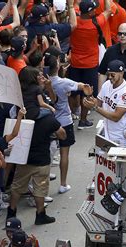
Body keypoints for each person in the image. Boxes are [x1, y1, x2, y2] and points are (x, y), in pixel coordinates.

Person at [7, 113, 67, 225]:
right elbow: (63, 135)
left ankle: (11, 213)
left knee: (17, 187)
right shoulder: (49, 119)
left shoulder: (21, 118)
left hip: (24, 159)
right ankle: (40, 214)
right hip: (41, 160)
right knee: (40, 189)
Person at [46, 53, 93, 193]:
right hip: (64, 121)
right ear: (58, 65)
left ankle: (45, 182)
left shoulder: (42, 81)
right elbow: (82, 86)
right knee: (64, 153)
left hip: (48, 121)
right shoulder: (63, 82)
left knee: (47, 151)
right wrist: (88, 92)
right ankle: (63, 184)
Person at [69, 0, 111, 130]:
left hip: (75, 63)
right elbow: (108, 11)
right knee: (87, 94)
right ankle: (83, 120)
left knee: (73, 93)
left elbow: (71, 14)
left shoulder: (73, 24)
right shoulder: (96, 22)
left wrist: (70, 6)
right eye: (93, 9)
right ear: (89, 11)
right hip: (90, 65)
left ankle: (69, 118)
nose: (95, 11)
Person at [83, 60, 126, 147]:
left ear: (121, 73)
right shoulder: (107, 84)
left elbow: (116, 117)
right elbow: (98, 103)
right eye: (108, 74)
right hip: (107, 132)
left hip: (121, 136)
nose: (110, 77)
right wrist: (89, 96)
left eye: (113, 75)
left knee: (117, 160)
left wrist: (95, 107)